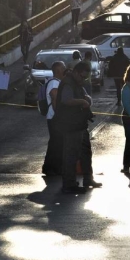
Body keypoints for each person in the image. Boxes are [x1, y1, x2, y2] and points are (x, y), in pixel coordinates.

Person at [55, 61, 101, 193]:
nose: (83, 79)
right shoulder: (68, 83)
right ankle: (69, 184)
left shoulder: (77, 83)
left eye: (86, 77)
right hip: (71, 125)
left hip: (80, 123)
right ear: (76, 72)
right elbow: (66, 100)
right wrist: (82, 101)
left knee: (86, 152)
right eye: (82, 76)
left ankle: (88, 178)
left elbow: (86, 96)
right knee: (71, 154)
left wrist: (86, 98)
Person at [42, 61, 66, 176]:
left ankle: (49, 167)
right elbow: (55, 100)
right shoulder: (54, 83)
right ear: (58, 71)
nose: (65, 70)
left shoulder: (57, 82)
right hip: (54, 117)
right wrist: (59, 115)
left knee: (55, 143)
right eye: (63, 68)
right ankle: (54, 168)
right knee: (56, 143)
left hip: (54, 117)